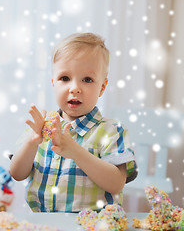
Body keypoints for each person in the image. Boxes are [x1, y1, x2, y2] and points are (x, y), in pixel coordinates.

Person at [9, 33, 137, 213]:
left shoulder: (112, 131)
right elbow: (16, 174)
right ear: (53, 83)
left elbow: (116, 184)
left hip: (91, 224)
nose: (74, 88)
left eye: (87, 79)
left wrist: (75, 151)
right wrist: (32, 142)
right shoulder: (42, 126)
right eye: (65, 78)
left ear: (102, 87)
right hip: (44, 223)